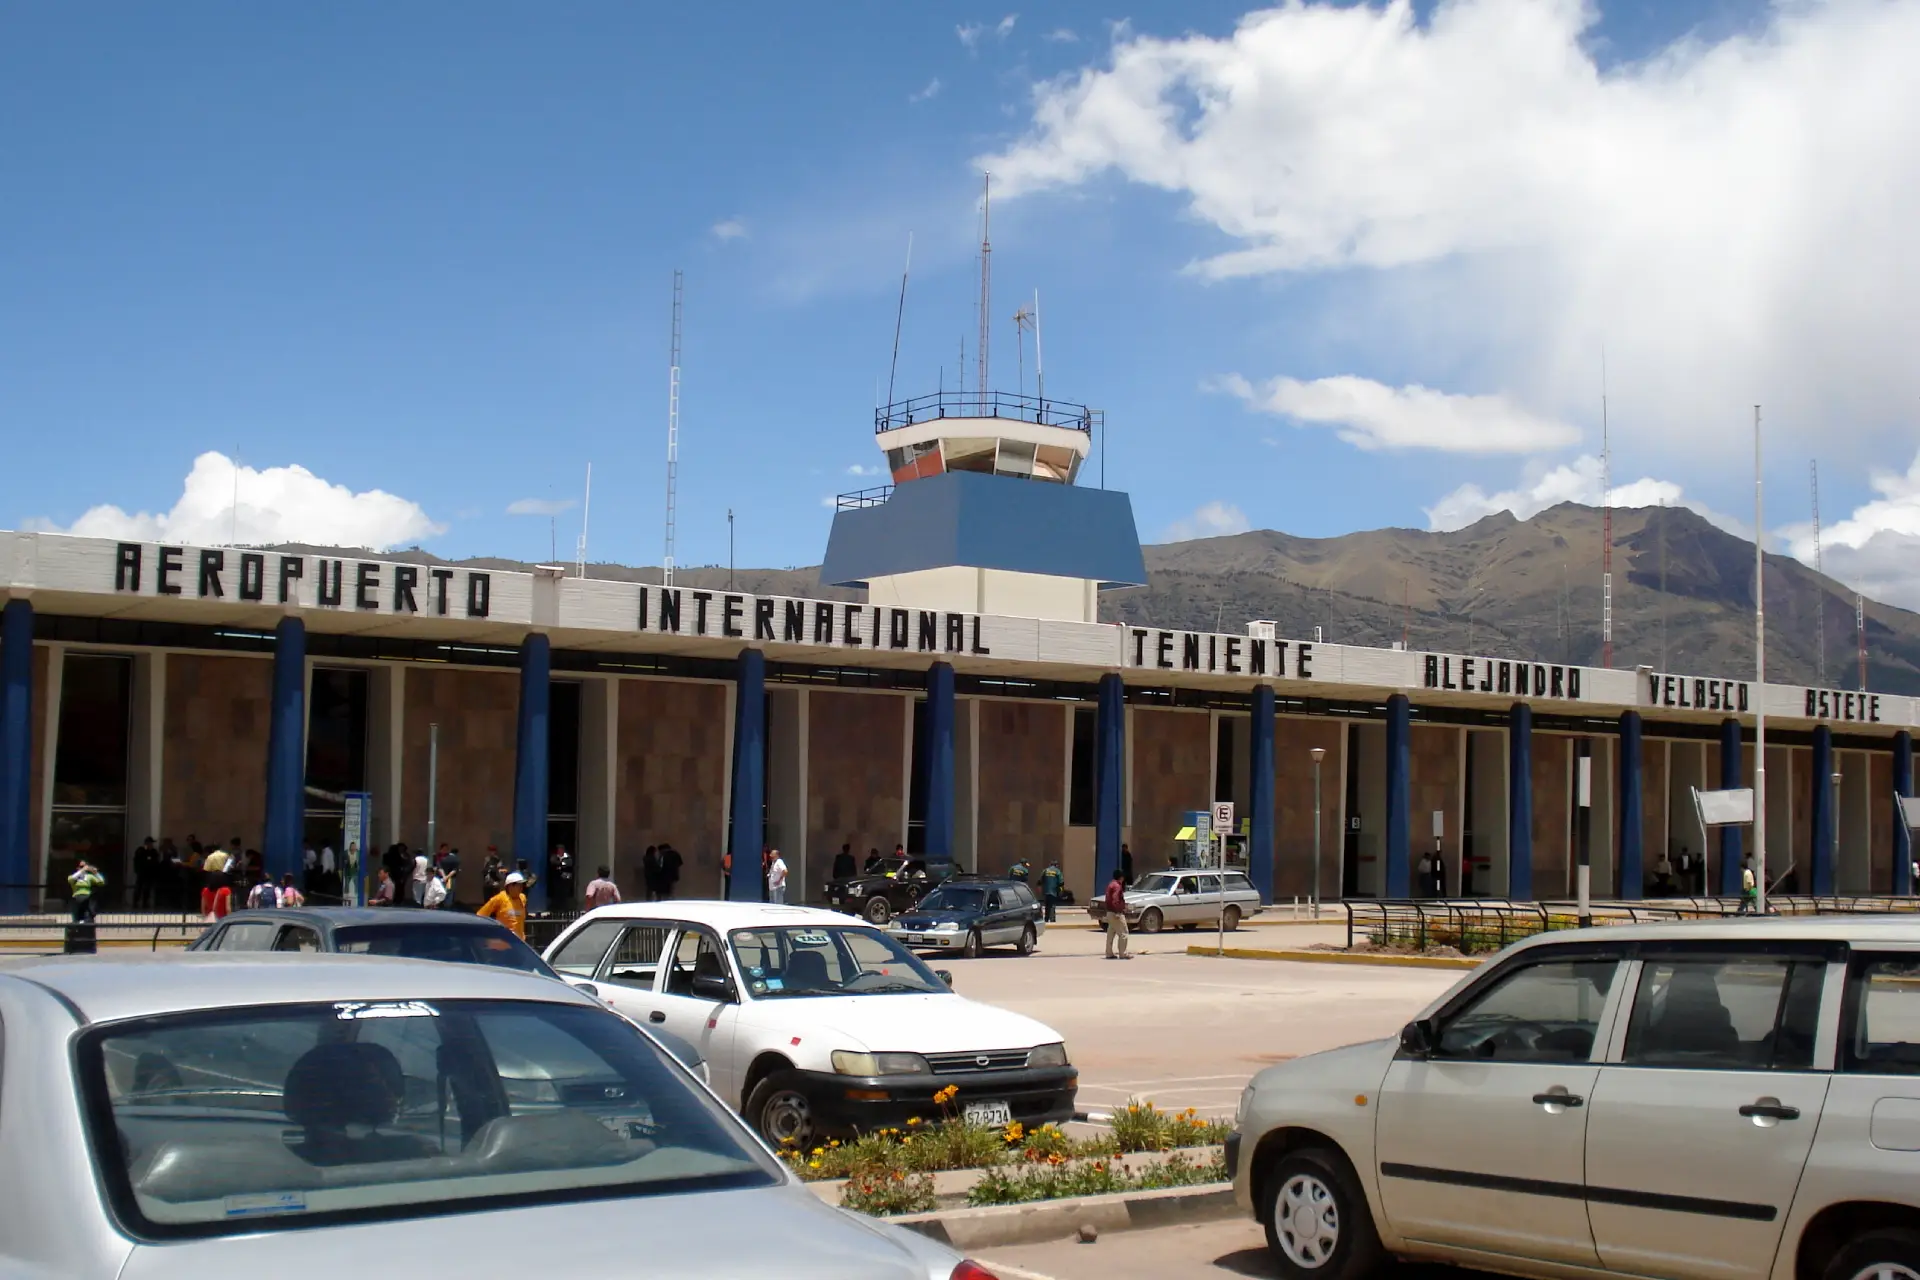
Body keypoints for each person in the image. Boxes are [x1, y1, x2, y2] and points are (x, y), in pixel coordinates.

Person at [478, 871, 530, 939]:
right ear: (510, 886)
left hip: (519, 942)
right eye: (518, 885)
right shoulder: (500, 898)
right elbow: (481, 915)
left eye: (521, 885)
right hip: (504, 941)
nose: (521, 888)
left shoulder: (522, 898)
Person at [1102, 869, 1131, 960]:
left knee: (1111, 932)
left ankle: (1109, 953)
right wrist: (1118, 911)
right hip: (1115, 913)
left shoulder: (1110, 884)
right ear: (1121, 877)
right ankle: (1123, 953)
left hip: (1109, 912)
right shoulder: (1117, 886)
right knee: (1124, 933)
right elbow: (1115, 899)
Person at [133, 837, 159, 909]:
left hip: (150, 874)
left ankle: (145, 902)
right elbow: (137, 861)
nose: (151, 845)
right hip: (142, 873)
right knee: (139, 888)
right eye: (150, 843)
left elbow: (155, 862)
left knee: (147, 889)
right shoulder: (141, 850)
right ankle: (136, 902)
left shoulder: (153, 851)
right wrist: (137, 870)